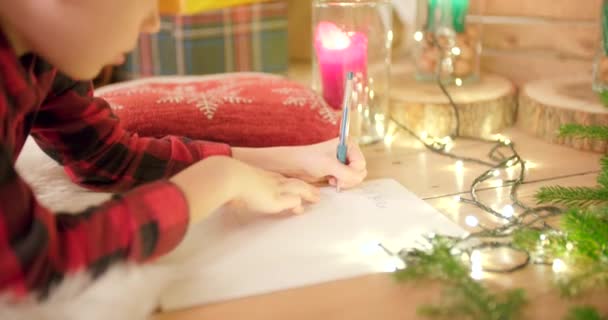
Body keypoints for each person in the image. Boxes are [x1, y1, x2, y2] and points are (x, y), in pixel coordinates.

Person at [0, 0, 366, 300]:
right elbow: (33, 265)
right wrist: (217, 180)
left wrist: (290, 159)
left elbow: (103, 154)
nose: (153, 24)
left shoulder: (40, 53)